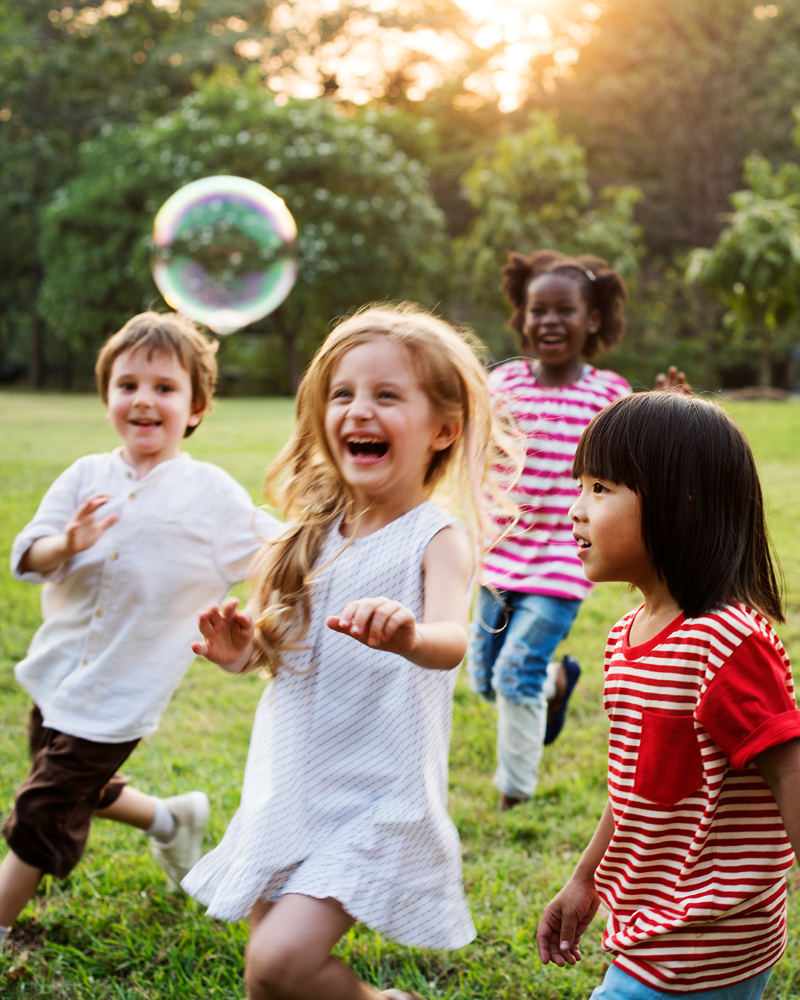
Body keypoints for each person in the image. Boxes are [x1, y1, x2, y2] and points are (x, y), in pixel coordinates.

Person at [182, 305, 519, 1000]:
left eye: (386, 395)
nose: (359, 410)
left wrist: (408, 636)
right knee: (268, 980)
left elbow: (452, 641)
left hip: (374, 795)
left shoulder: (437, 537)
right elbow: (286, 655)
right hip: (291, 782)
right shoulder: (309, 535)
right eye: (343, 394)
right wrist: (243, 652)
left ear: (443, 430)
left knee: (278, 963)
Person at [0, 311, 279, 950]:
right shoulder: (84, 477)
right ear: (106, 399)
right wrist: (67, 542)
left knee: (42, 811)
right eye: (127, 385)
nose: (143, 399)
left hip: (121, 696)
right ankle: (170, 818)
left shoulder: (209, 494)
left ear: (196, 405)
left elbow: (276, 553)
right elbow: (29, 552)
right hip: (56, 676)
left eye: (164, 387)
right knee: (83, 790)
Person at [536, 391, 800, 998]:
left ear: (680, 506)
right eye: (581, 486)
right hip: (654, 925)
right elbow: (639, 785)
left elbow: (789, 773)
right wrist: (586, 879)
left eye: (600, 489)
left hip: (704, 938)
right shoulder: (626, 636)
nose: (576, 510)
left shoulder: (726, 641)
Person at [468, 249, 633, 811]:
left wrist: (670, 407)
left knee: (516, 670)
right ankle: (559, 683)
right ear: (522, 317)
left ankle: (514, 789)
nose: (549, 320)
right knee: (483, 679)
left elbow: (637, 453)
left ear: (592, 320)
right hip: (499, 551)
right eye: (538, 309)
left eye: (565, 309)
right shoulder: (503, 383)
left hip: (564, 559)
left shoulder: (608, 392)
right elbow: (473, 443)